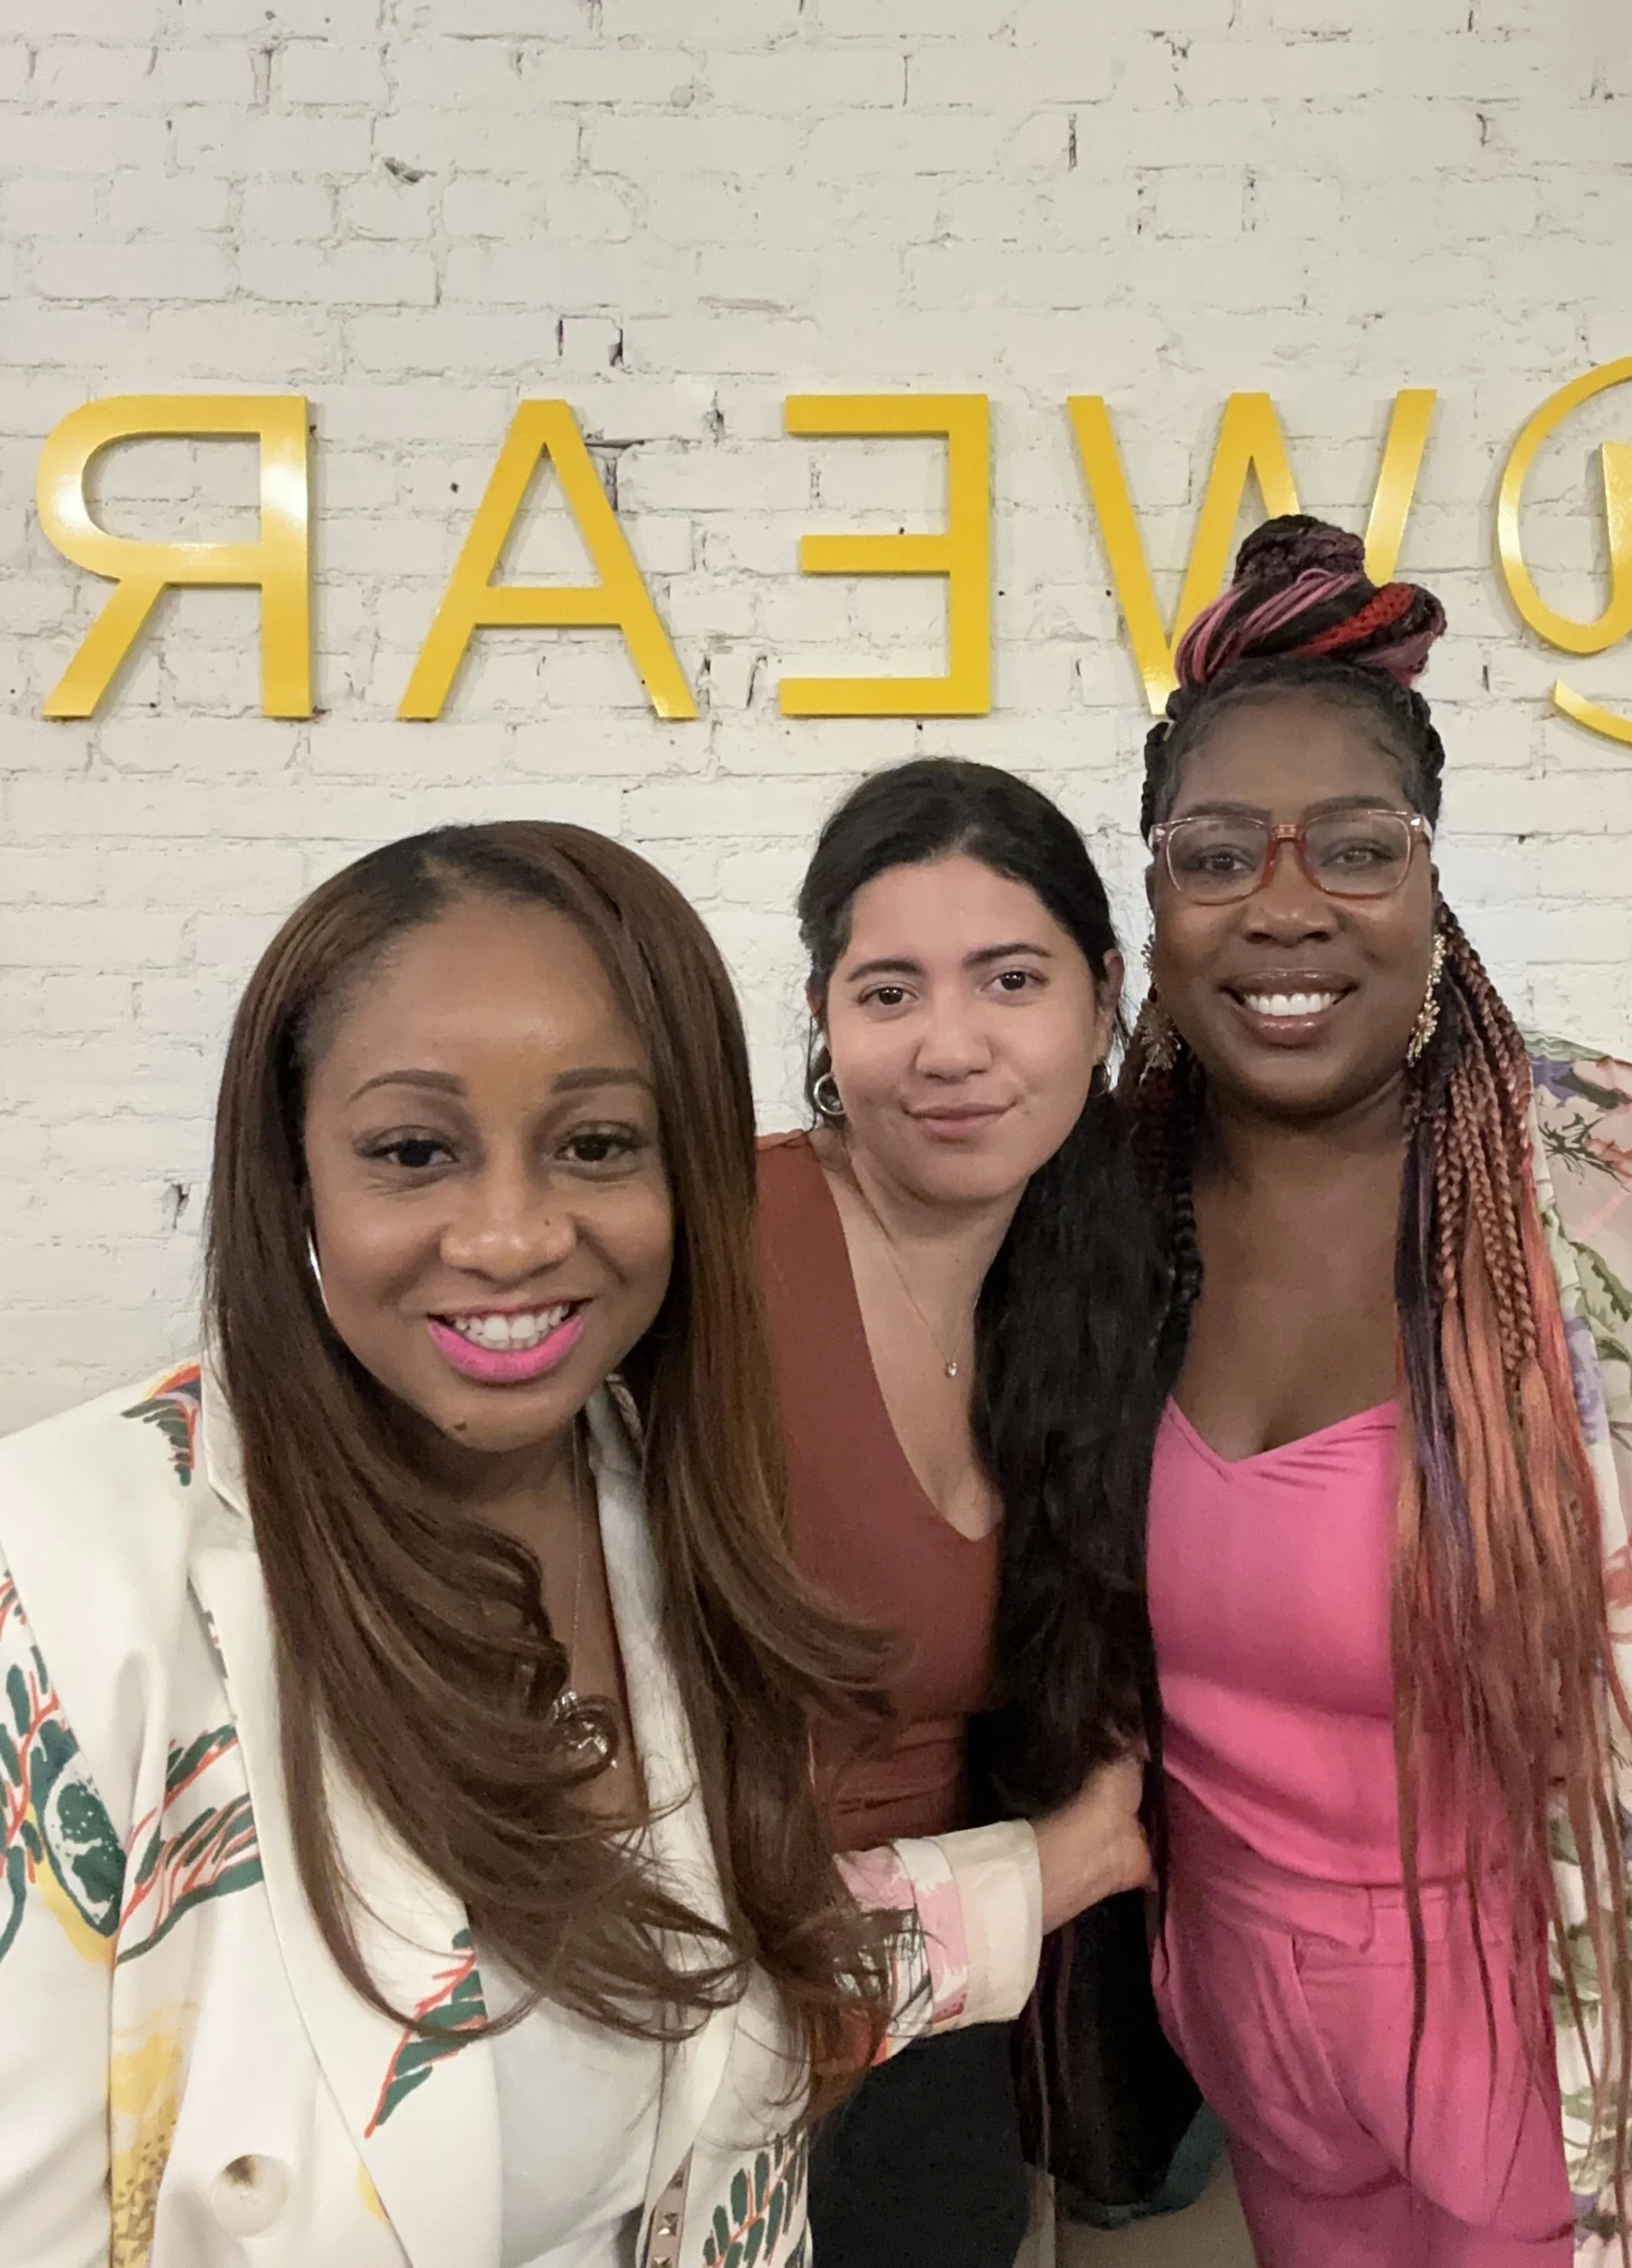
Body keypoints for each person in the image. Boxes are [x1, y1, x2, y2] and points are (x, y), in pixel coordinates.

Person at [0, 820, 1148, 2268]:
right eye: (414, 1151)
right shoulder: (62, 1584)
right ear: (292, 1174)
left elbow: (713, 1993)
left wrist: (1033, 1878)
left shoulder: (664, 1503)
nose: (506, 1237)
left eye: (596, 1145)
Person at [1122, 519, 1632, 2268]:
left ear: (1427, 879)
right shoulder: (1095, 1220)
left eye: (1352, 849)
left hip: (1556, 2042)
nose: (1282, 907)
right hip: (1244, 2025)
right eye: (1211, 853)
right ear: (1152, 890)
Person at [758, 760, 1172, 2268]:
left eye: (1008, 978)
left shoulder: (1073, 1289)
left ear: (1101, 994)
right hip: (701, 2062)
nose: (950, 1047)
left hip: (933, 2058)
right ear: (821, 1015)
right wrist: (1045, 1870)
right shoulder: (719, 1253)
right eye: (886, 992)